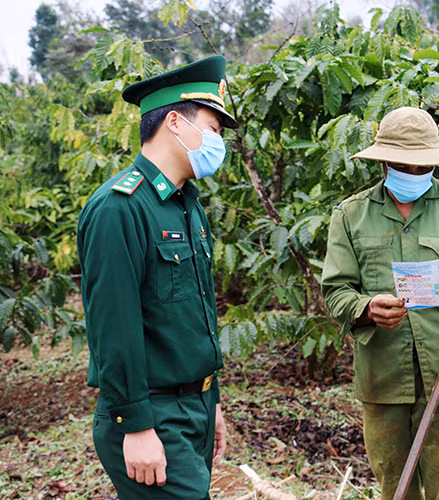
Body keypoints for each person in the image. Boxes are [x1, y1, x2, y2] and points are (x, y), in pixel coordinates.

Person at [77, 55, 238, 498]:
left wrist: (211, 398)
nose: (218, 142)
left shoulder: (187, 206)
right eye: (213, 129)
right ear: (175, 122)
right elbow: (113, 326)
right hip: (153, 413)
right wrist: (135, 425)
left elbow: (196, 315)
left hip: (194, 406)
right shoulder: (119, 208)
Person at [321, 107, 439, 499]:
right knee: (394, 487)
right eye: (404, 166)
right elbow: (336, 290)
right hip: (383, 376)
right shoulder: (351, 215)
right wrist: (366, 308)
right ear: (384, 162)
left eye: (423, 166)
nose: (414, 174)